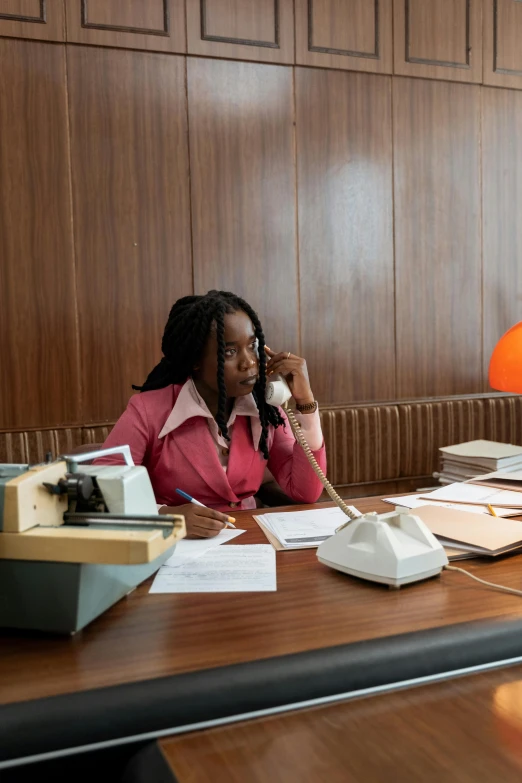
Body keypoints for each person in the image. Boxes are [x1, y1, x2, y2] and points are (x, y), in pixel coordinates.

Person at [98, 290, 326, 538]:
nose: (249, 362)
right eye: (229, 352)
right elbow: (102, 493)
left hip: (249, 543)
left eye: (252, 346)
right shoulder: (148, 410)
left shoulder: (266, 409)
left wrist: (305, 402)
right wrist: (165, 517)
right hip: (175, 550)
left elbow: (306, 491)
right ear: (195, 360)